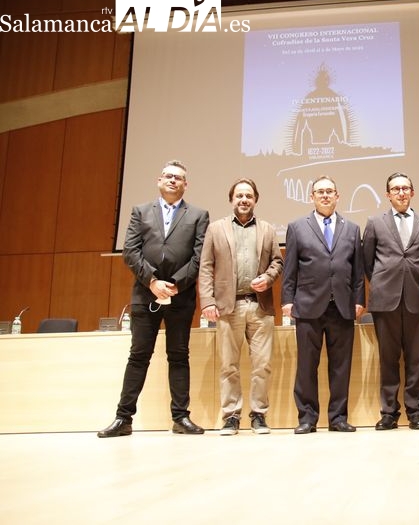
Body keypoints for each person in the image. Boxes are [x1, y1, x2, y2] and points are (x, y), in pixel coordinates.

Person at [98, 160, 209, 438]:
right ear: (159, 180)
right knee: (138, 356)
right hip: (144, 293)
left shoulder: (198, 215)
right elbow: (130, 251)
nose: (173, 181)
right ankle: (123, 418)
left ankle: (181, 418)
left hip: (180, 296)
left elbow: (200, 257)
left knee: (179, 356)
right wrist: (152, 281)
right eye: (169, 176)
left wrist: (175, 284)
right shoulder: (140, 211)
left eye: (179, 178)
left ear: (186, 184)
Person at [198, 178, 284, 436]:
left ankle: (258, 415)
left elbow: (277, 263)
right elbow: (205, 267)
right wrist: (207, 301)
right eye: (239, 196)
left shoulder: (268, 229)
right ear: (231, 199)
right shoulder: (216, 229)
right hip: (228, 307)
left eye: (249, 196)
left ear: (255, 200)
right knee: (228, 366)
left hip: (259, 307)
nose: (244, 200)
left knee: (262, 365)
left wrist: (268, 278)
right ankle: (231, 416)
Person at [281, 175, 366, 434]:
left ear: (338, 196)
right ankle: (307, 417)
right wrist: (287, 300)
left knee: (341, 366)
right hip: (308, 306)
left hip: (342, 307)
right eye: (320, 192)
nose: (326, 195)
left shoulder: (351, 228)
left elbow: (357, 271)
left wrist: (359, 300)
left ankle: (338, 417)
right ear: (312, 197)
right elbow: (290, 269)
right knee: (307, 365)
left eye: (330, 191)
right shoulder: (297, 227)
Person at [362, 172, 419, 431]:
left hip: (417, 298)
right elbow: (368, 262)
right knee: (388, 359)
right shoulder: (374, 222)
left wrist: (411, 280)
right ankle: (389, 413)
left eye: (406, 188)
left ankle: (415, 412)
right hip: (386, 301)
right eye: (396, 189)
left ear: (413, 193)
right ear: (388, 194)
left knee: (416, 359)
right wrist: (387, 282)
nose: (401, 192)